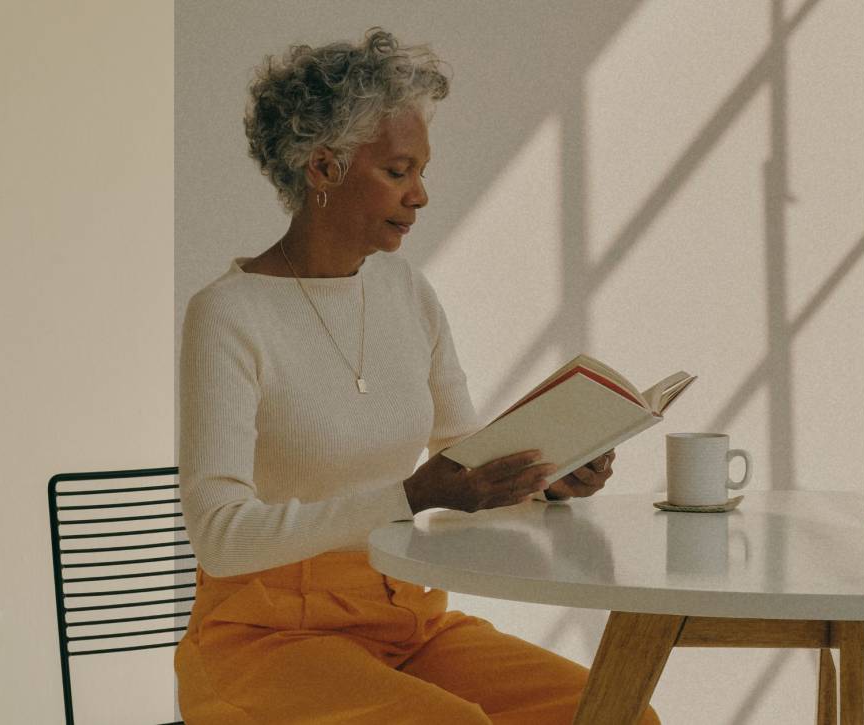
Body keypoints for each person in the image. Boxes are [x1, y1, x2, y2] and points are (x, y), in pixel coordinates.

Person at [175, 28, 658, 724]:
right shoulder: (228, 314)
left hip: (407, 619)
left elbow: (460, 451)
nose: (422, 194)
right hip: (264, 635)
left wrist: (544, 478)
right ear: (323, 170)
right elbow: (220, 535)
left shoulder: (406, 292)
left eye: (421, 171)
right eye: (399, 171)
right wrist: (406, 495)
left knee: (618, 713)